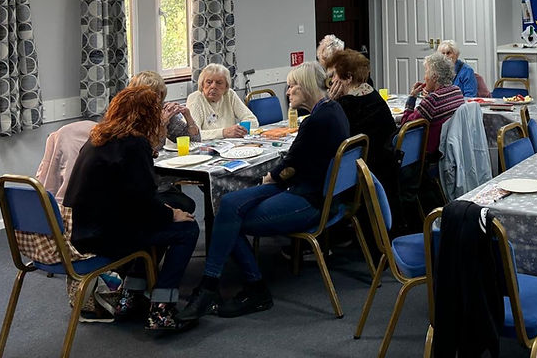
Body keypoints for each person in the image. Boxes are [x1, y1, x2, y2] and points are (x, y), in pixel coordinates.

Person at [180, 62, 350, 321]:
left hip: (308, 199)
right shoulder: (334, 110)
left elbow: (288, 166)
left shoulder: (315, 121)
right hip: (313, 191)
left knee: (228, 218)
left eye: (292, 86)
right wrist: (271, 178)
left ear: (305, 87)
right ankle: (214, 285)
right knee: (228, 204)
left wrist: (268, 178)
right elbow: (293, 164)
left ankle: (240, 288)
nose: (288, 91)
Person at [63, 86, 200, 333]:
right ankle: (162, 308)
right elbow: (143, 203)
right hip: (107, 236)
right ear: (147, 115)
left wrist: (164, 211)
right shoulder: (134, 143)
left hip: (86, 228)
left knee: (159, 220)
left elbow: (133, 198)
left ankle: (131, 296)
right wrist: (172, 214)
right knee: (187, 228)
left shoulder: (98, 137)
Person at [328, 49, 398, 187]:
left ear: (348, 78)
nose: (332, 80)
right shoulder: (373, 95)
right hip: (384, 170)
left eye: (335, 75)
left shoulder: (346, 104)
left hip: (360, 175)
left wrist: (331, 102)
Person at [400, 52, 465, 154]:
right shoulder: (457, 91)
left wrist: (412, 97)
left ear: (434, 77)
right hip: (451, 150)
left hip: (427, 153)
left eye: (426, 72)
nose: (424, 77)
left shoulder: (433, 100)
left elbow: (405, 126)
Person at [186, 63, 257, 140]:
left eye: (219, 83)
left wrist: (238, 130)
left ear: (226, 86)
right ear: (202, 85)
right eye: (209, 82)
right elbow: (194, 134)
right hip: (207, 148)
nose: (213, 86)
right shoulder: (195, 99)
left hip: (231, 144)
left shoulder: (230, 94)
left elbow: (252, 120)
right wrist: (224, 133)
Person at [130, 70, 202, 143]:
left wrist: (188, 116)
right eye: (152, 94)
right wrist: (162, 124)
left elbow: (194, 141)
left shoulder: (162, 109)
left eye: (159, 94)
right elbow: (149, 149)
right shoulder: (130, 115)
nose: (157, 99)